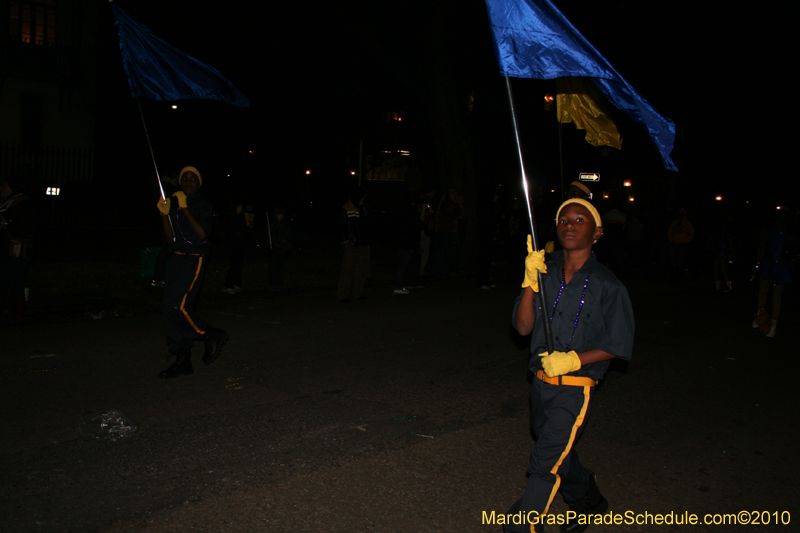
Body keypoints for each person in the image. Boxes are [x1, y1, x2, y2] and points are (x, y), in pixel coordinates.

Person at [506, 198, 634, 533]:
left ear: (597, 232)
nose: (570, 225)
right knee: (553, 445)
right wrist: (529, 284)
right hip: (539, 384)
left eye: (580, 220)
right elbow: (522, 328)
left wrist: (575, 359)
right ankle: (587, 497)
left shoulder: (609, 285)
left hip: (574, 391)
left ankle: (522, 527)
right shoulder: (544, 271)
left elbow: (618, 345)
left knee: (544, 464)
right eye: (564, 219)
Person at [156, 166, 228, 379]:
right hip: (177, 258)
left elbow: (202, 234)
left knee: (180, 307)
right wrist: (164, 214)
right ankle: (182, 359)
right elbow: (171, 240)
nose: (188, 182)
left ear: (198, 183)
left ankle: (210, 333)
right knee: (169, 310)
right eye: (185, 179)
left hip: (194, 258)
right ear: (180, 182)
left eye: (192, 179)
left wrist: (185, 207)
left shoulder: (202, 204)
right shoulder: (175, 203)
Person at [751, 212, 796, 338]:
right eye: (778, 222)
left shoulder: (788, 236)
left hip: (780, 265)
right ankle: (760, 316)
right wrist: (758, 265)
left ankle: (773, 323)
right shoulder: (769, 234)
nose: (780, 225)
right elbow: (762, 249)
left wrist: (794, 260)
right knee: (763, 290)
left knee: (777, 296)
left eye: (783, 222)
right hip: (768, 264)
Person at [0, 175, 35, 325]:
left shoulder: (21, 203)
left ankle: (19, 316)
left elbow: (23, 226)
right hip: (5, 250)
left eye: (5, 186)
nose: (2, 189)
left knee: (15, 281)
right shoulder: (6, 203)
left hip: (16, 251)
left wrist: (6, 220)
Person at [337, 186, 370, 301]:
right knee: (348, 270)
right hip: (351, 244)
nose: (364, 199)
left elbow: (365, 226)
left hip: (362, 243)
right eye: (362, 197)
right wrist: (345, 242)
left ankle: (358, 293)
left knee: (361, 270)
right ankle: (343, 295)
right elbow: (342, 226)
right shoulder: (346, 208)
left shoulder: (361, 208)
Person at [267, 206, 292, 291]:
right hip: (274, 250)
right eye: (278, 214)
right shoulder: (272, 225)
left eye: (281, 214)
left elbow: (288, 237)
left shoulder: (285, 225)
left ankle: (279, 283)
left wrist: (287, 247)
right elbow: (268, 237)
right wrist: (270, 247)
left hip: (282, 250)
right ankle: (272, 283)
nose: (280, 216)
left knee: (280, 268)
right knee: (273, 268)